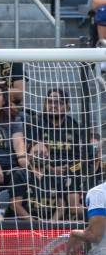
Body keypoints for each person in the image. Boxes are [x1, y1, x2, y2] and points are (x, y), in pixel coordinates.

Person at [26, 88, 87, 220]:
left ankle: (98, 217)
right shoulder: (35, 123)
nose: (53, 105)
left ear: (67, 106)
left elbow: (83, 157)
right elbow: (30, 153)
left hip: (69, 171)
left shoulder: (76, 126)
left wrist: (69, 170)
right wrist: (51, 169)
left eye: (58, 102)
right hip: (42, 170)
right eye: (50, 102)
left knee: (74, 207)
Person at [10, 143, 65, 222]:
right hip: (25, 224)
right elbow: (15, 205)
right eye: (36, 153)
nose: (40, 155)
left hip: (49, 223)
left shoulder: (55, 177)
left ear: (49, 156)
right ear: (28, 156)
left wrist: (52, 222)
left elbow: (61, 205)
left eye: (44, 153)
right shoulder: (20, 175)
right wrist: (33, 223)